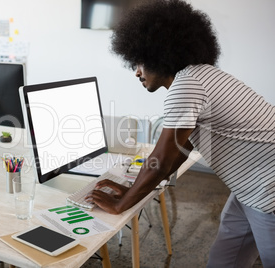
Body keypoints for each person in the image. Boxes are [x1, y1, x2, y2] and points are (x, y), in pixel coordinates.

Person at [86, 0, 275, 267]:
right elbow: (178, 152)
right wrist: (129, 189)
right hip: (249, 188)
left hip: (268, 191)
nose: (136, 71)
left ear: (159, 52)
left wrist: (122, 204)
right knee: (224, 260)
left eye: (139, 61)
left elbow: (162, 161)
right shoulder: (201, 76)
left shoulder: (186, 85)